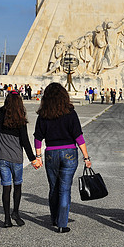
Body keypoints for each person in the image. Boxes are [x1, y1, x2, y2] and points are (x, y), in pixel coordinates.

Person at [34, 83, 92, 233]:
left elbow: (38, 138)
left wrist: (38, 156)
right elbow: (78, 136)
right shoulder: (70, 112)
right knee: (65, 189)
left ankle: (54, 218)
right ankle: (62, 223)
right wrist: (86, 157)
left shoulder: (43, 114)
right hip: (69, 152)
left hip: (51, 153)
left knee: (53, 187)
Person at [0, 91, 40, 228]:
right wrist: (33, 159)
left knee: (6, 188)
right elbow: (25, 142)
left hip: (3, 158)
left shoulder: (0, 116)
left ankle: (7, 219)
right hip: (16, 159)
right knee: (17, 186)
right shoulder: (20, 121)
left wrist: (7, 105)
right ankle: (16, 213)